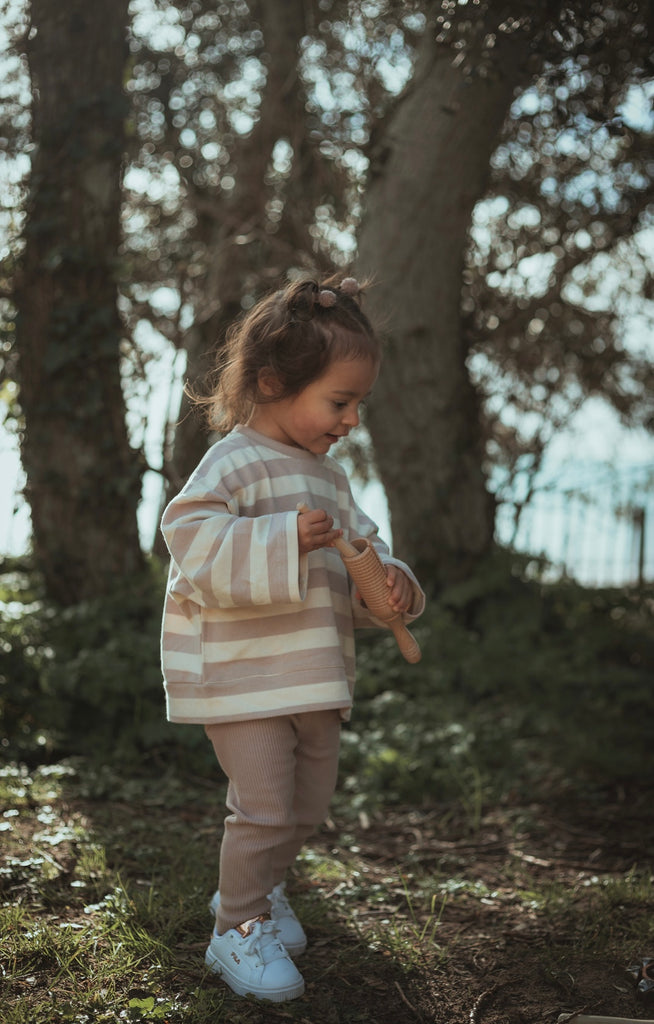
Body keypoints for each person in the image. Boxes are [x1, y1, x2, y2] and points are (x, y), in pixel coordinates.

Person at [159, 275, 425, 1003]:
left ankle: (262, 888)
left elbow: (363, 552)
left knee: (305, 807)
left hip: (311, 673)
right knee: (265, 806)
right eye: (339, 401)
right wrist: (279, 536)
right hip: (243, 675)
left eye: (357, 404)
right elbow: (190, 540)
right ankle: (235, 930)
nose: (351, 419)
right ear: (274, 383)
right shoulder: (235, 461)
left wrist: (392, 581)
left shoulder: (331, 481)